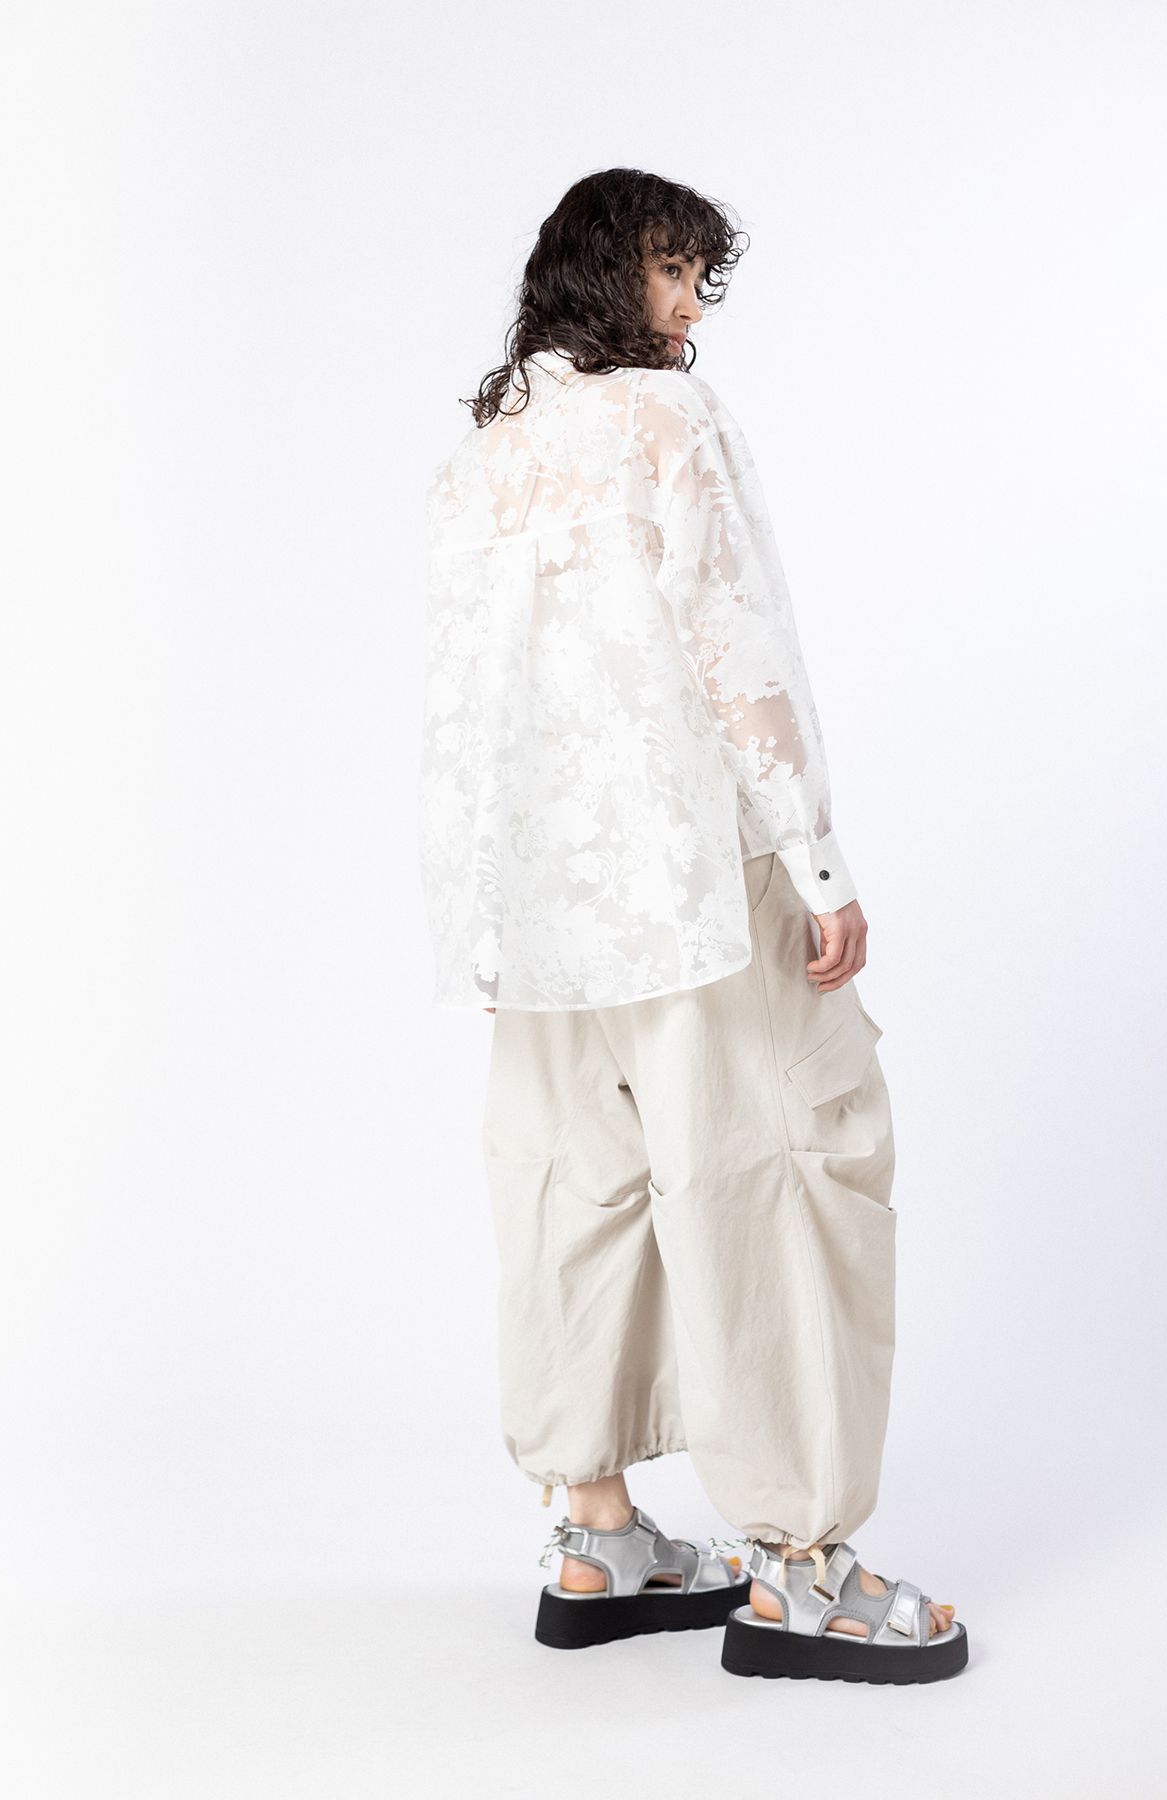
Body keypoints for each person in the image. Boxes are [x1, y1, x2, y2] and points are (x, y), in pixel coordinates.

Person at [419, 168, 967, 1684]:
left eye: (695, 279)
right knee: (778, 1173)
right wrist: (817, 860)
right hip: (688, 875)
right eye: (667, 273)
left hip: (541, 898)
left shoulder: (486, 449)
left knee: (570, 1187)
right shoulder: (668, 420)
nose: (686, 307)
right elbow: (737, 644)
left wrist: (475, 912)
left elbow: (461, 699)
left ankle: (593, 1532)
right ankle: (802, 1569)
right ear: (606, 276)